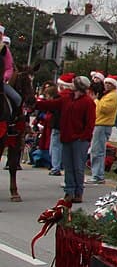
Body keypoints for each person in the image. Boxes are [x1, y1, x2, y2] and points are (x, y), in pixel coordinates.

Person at [35, 74, 96, 204]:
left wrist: (84, 137)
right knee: (68, 166)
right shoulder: (67, 99)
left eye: (74, 83)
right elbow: (51, 105)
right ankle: (69, 191)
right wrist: (36, 103)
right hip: (66, 137)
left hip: (80, 140)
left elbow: (90, 123)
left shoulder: (88, 102)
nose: (71, 85)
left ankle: (78, 192)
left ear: (79, 86)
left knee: (78, 167)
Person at [89, 75, 117, 184]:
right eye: (105, 83)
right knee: (95, 150)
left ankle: (98, 175)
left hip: (103, 124)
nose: (106, 85)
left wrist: (96, 100)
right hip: (98, 123)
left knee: (98, 150)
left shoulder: (113, 96)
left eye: (109, 84)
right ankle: (96, 174)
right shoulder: (106, 95)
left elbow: (104, 109)